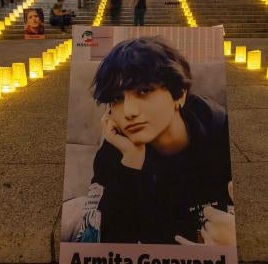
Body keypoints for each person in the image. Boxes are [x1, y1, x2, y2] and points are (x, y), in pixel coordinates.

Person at [74, 37, 234, 245]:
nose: (129, 112)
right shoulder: (114, 152)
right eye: (117, 98)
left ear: (179, 95)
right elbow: (98, 242)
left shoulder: (222, 137)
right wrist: (131, 164)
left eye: (144, 91)